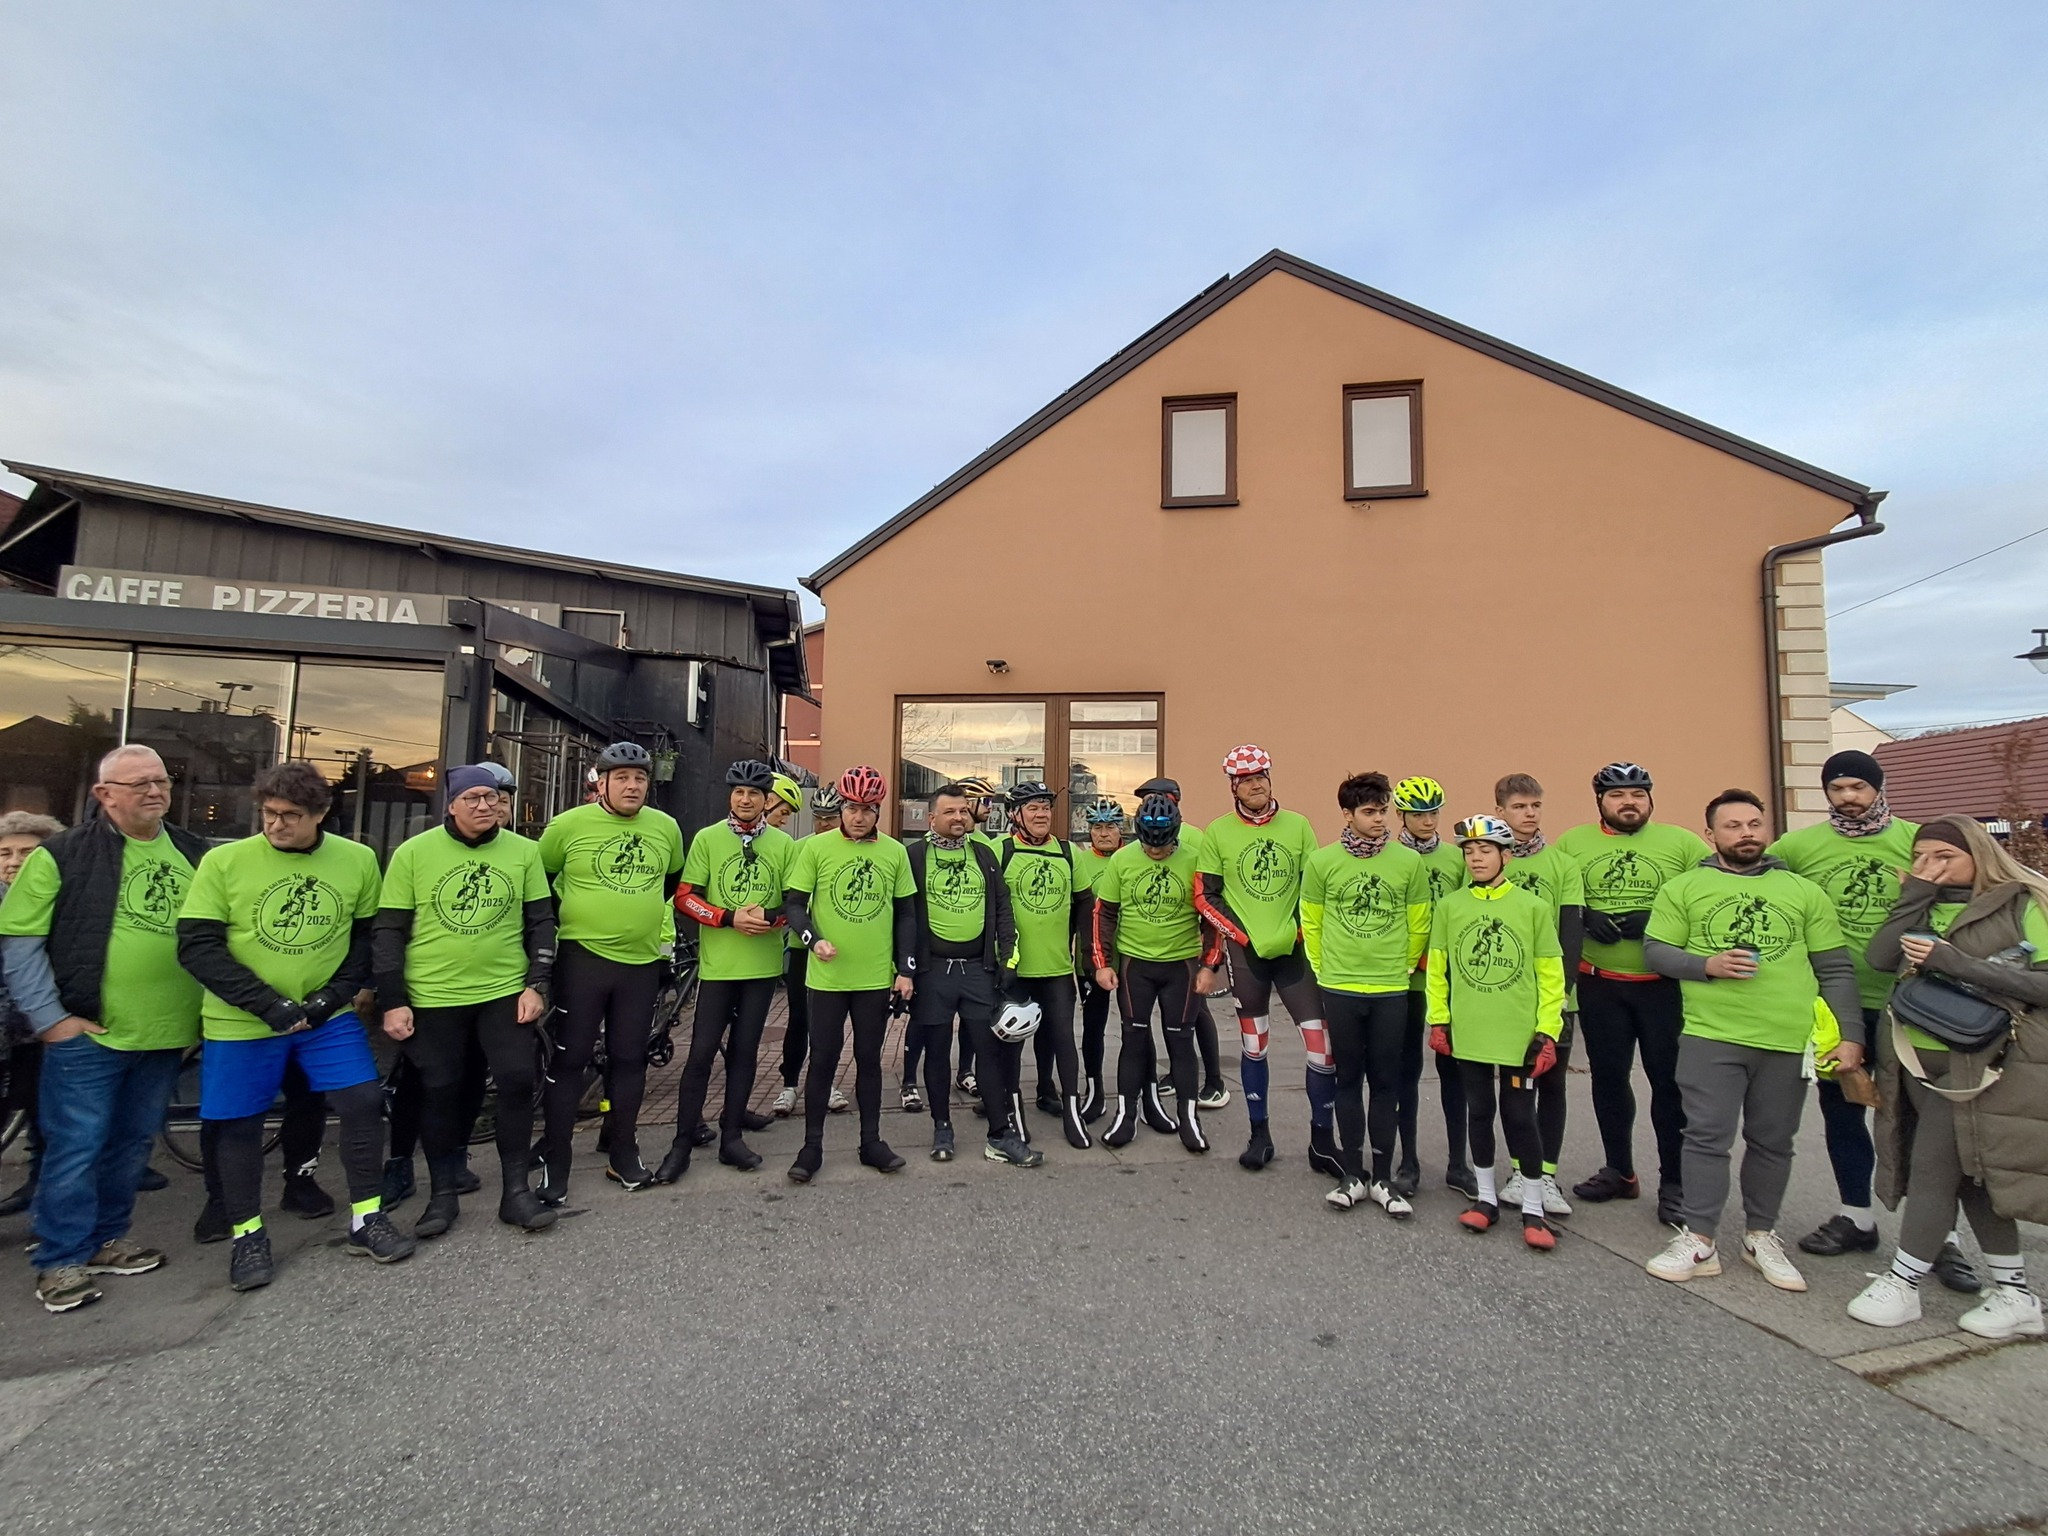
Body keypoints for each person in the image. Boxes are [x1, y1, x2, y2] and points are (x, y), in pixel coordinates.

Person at [178, 760, 407, 1292]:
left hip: (326, 1017)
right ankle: (247, 1235)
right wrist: (266, 1004)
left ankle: (367, 1217)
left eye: (290, 815)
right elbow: (198, 946)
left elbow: (366, 939)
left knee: (363, 1103)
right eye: (269, 813)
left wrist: (334, 995)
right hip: (242, 1019)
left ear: (320, 813)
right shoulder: (224, 861)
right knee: (239, 1124)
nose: (275, 824)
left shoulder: (356, 859)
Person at [0, 748, 204, 1313]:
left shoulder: (194, 851)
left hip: (166, 1033)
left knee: (132, 1144)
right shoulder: (61, 854)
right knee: (76, 1146)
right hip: (89, 1034)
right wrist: (50, 1020)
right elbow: (20, 942)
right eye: (138, 783)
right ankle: (60, 1258)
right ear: (103, 794)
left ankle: (108, 1239)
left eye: (161, 780)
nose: (154, 791)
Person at [1640, 789, 1861, 1291]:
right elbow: (1656, 953)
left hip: (1787, 1039)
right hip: (1711, 1036)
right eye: (1733, 825)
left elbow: (1834, 969)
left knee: (1773, 1142)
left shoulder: (1803, 891)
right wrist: (1707, 965)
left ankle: (1761, 1236)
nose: (1746, 833)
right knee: (1706, 1137)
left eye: (1754, 824)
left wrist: (1851, 1036)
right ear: (1711, 834)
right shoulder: (1684, 887)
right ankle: (1699, 1239)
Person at [1847, 816, 2048, 1339]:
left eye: (1944, 857)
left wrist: (1956, 963)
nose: (1929, 866)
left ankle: (1903, 1284)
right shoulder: (1924, 902)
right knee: (1971, 1177)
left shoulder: (2021, 902)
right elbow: (1880, 956)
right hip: (1914, 1059)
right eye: (1920, 856)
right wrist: (1914, 894)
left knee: (1932, 1170)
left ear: (1978, 854)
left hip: (1981, 1063)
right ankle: (2015, 1294)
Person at [1767, 752, 1957, 1276]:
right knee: (1843, 1109)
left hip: (1914, 1001)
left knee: (1923, 1121)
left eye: (1858, 787)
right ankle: (1857, 1217)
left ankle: (1942, 1237)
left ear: (1878, 787)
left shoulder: (1918, 840)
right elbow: (1750, 874)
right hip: (1836, 1003)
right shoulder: (1798, 847)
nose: (1848, 797)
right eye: (1837, 788)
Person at [373, 765, 556, 1236]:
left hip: (504, 991)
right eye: (472, 798)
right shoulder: (414, 853)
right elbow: (389, 930)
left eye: (491, 797)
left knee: (517, 1081)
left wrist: (536, 982)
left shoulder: (523, 852)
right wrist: (393, 999)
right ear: (451, 805)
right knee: (440, 1089)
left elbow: (541, 921)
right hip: (435, 994)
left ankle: (515, 1193)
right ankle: (442, 1197)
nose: (484, 806)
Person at [1557, 764, 1712, 1224]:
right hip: (1600, 982)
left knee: (1668, 1085)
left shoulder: (1683, 844)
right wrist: (1583, 916)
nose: (1629, 802)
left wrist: (1661, 918)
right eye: (1618, 795)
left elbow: (1711, 896)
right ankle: (1619, 1171)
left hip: (1662, 986)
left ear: (1650, 799)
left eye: (1638, 794)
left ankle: (1674, 1182)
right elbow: (1558, 899)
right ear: (1600, 802)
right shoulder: (1572, 843)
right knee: (1608, 1080)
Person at [535, 741, 686, 1195]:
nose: (632, 786)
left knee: (629, 1059)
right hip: (583, 959)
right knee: (570, 1059)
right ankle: (556, 1159)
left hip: (640, 963)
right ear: (601, 783)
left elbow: (670, 883)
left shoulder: (666, 827)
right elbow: (538, 887)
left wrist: (631, 915)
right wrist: (577, 917)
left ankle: (623, 1153)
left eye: (640, 778)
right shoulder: (567, 826)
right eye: (621, 778)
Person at [1425, 815, 1568, 1249]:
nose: (1476, 859)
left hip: (1518, 1034)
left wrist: (1548, 1031)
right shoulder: (1451, 907)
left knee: (1520, 1116)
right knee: (1480, 1111)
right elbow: (1437, 970)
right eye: (1469, 852)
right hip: (1470, 1031)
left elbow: (1551, 975)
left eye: (1485, 851)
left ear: (1506, 856)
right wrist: (1439, 1020)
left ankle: (1533, 1208)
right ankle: (1486, 1199)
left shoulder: (1532, 908)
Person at [655, 760, 799, 1181]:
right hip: (718, 968)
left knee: (744, 1052)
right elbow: (685, 897)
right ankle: (682, 1142)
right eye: (739, 792)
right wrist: (727, 918)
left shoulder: (784, 845)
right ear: (730, 796)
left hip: (761, 968)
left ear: (766, 800)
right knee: (700, 1054)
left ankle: (731, 1137)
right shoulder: (708, 838)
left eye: (754, 793)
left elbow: (795, 901)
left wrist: (769, 918)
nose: (745, 799)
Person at [1195, 746, 1330, 1174]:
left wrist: (1300, 930)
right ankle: (1260, 1135)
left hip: (1295, 953)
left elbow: (1315, 888)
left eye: (1261, 777)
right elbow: (1205, 895)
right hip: (1247, 955)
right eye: (1247, 780)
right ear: (1233, 787)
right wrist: (1241, 936)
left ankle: (1322, 1140)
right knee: (1255, 1047)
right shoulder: (1218, 832)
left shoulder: (1299, 825)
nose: (1256, 785)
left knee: (1321, 1049)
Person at [1302, 773, 1430, 1217]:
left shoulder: (1408, 862)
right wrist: (1324, 969)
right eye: (1369, 812)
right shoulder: (1322, 862)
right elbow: (1311, 919)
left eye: (1383, 811)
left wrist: (1403, 966)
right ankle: (1352, 1175)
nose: (1379, 819)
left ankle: (1383, 1178)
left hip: (1391, 988)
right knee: (1348, 1079)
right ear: (1347, 814)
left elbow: (1419, 921)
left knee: (1386, 1082)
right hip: (1340, 985)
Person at [783, 765, 915, 1182]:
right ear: (841, 808)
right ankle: (811, 1147)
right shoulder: (816, 848)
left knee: (869, 1060)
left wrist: (905, 969)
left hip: (873, 978)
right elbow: (794, 905)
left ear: (878, 811)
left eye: (868, 809)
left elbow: (906, 914)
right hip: (827, 978)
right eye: (852, 808)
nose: (859, 817)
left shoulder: (894, 852)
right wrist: (813, 939)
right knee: (823, 1058)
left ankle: (871, 1141)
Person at [905, 783, 1033, 1166]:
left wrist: (1008, 959)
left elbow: (1003, 909)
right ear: (932, 818)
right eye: (950, 812)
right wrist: (904, 969)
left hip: (978, 970)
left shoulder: (984, 854)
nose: (959, 817)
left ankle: (1000, 1134)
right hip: (933, 972)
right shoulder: (914, 856)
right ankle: (942, 1127)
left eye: (963, 810)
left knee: (988, 1053)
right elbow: (903, 916)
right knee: (937, 1053)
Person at [1091, 793, 1217, 1153]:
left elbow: (1211, 917)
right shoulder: (1123, 859)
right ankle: (1126, 1116)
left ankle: (1189, 1119)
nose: (1155, 851)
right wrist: (1103, 963)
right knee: (1133, 1040)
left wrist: (1209, 965)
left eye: (1162, 847)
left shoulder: (1195, 859)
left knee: (1181, 1041)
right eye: (1148, 845)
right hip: (1136, 965)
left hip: (1182, 964)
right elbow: (1104, 913)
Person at [1494, 774, 1585, 1219]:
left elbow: (1571, 932)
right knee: (1515, 1086)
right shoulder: (1491, 859)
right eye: (1519, 807)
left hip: (1553, 998)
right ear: (1501, 812)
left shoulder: (1563, 865)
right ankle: (1519, 1171)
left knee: (1551, 1084)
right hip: (1505, 997)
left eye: (1535, 806)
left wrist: (1558, 995)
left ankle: (1546, 1175)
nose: (1529, 814)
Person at [995, 782, 1094, 1149]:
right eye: (1033, 808)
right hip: (1015, 969)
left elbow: (1085, 905)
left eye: (1045, 808)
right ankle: (1012, 1110)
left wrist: (1087, 957)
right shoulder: (1000, 850)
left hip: (1056, 968)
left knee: (1062, 1038)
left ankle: (1070, 1110)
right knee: (1011, 1044)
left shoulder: (1068, 853)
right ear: (1014, 814)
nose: (1041, 814)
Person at [1390, 774, 1469, 1198]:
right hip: (1405, 978)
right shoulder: (1390, 857)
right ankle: (1408, 1161)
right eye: (1418, 814)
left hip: (1447, 977)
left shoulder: (1456, 859)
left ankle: (1459, 1163)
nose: (1428, 821)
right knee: (1406, 1070)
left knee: (1454, 1071)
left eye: (1434, 812)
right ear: (1401, 815)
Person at [1133, 776, 1227, 1107]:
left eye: (1152, 797)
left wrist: (1208, 948)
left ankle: (1215, 1080)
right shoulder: (1145, 833)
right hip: (1154, 946)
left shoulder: (1194, 838)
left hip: (1188, 943)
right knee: (1174, 1017)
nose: (1147, 804)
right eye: (1144, 800)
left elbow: (1207, 890)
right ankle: (1177, 1074)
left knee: (1197, 1013)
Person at [0, 811, 66, 1220]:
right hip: (8, 1033)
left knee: (49, 1125)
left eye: (26, 852)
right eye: (5, 853)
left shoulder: (61, 905)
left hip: (43, 1033)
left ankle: (41, 1198)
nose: (14, 861)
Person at [775, 784, 848, 1119]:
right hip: (803, 947)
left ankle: (827, 1083)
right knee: (799, 1018)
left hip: (837, 949)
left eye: (830, 817)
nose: (824, 824)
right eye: (818, 817)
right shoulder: (799, 848)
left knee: (829, 1024)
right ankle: (789, 1084)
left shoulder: (851, 848)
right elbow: (789, 899)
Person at [1073, 797, 1125, 1122]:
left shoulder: (1132, 858)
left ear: (1122, 830)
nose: (1104, 833)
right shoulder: (1080, 862)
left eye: (1110, 827)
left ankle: (1143, 1089)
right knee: (1094, 1027)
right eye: (1097, 827)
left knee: (1137, 1027)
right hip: (1091, 957)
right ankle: (1095, 1091)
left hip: (1130, 955)